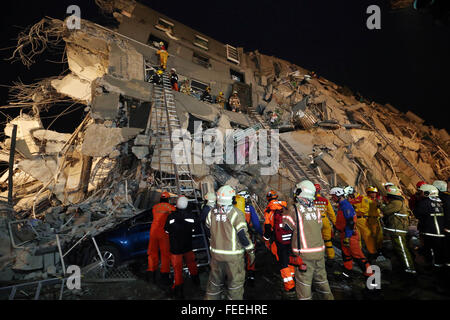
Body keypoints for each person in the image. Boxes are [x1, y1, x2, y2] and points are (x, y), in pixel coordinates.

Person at [282, 180, 334, 300]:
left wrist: (285, 212)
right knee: (322, 281)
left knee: (304, 285)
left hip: (304, 255)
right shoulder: (316, 210)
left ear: (301, 192)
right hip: (319, 252)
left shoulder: (294, 209)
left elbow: (287, 227)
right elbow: (319, 226)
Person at [205, 186, 255, 300]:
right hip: (233, 257)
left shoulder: (211, 212)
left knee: (214, 284)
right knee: (235, 286)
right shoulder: (236, 213)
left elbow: (208, 229)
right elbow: (243, 236)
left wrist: (213, 243)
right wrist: (251, 251)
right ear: (232, 199)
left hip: (216, 256)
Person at [330, 187, 373, 279]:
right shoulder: (342, 205)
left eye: (333, 196)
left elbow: (350, 222)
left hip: (349, 234)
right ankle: (347, 271)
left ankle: (370, 274)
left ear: (338, 195)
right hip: (344, 233)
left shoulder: (346, 205)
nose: (332, 198)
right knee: (346, 254)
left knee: (357, 255)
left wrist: (348, 236)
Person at [164, 196, 199, 299]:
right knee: (192, 264)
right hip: (188, 246)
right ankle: (196, 282)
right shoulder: (191, 216)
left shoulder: (171, 217)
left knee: (177, 269)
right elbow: (194, 229)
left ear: (177, 205)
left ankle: (179, 290)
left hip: (176, 248)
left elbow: (166, 230)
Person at [380, 185, 416, 275]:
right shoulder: (400, 202)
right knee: (403, 249)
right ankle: (407, 266)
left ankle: (409, 270)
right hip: (399, 230)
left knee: (402, 250)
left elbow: (385, 210)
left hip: (398, 231)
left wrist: (380, 204)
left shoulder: (396, 203)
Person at [413, 184, 448, 270]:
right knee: (440, 252)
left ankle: (431, 268)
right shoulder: (442, 201)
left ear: (426, 193)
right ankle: (441, 269)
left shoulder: (424, 203)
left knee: (428, 251)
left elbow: (417, 213)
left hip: (429, 232)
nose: (419, 194)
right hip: (442, 232)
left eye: (421, 192)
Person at [146, 191, 176, 285]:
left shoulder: (155, 207)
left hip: (154, 232)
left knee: (152, 253)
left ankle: (151, 275)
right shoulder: (171, 208)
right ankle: (164, 276)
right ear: (168, 199)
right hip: (164, 233)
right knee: (165, 254)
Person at [236, 191, 263, 286]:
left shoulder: (233, 208)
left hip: (235, 236)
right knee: (250, 254)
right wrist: (261, 233)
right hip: (248, 235)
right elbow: (256, 223)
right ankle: (251, 275)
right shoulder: (249, 208)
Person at [345, 186, 378, 261]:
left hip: (362, 220)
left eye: (349, 195)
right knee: (357, 238)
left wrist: (355, 209)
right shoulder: (351, 200)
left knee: (367, 236)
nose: (349, 197)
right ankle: (359, 254)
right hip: (354, 220)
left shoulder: (363, 198)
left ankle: (373, 253)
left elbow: (365, 209)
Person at [313, 184, 336, 264]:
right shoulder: (325, 200)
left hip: (315, 222)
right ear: (319, 191)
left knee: (316, 241)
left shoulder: (311, 201)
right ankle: (331, 257)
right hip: (325, 221)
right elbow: (332, 214)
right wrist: (335, 224)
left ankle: (318, 258)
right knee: (328, 241)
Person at [366, 186, 384, 256]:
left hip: (377, 219)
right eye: (372, 193)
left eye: (375, 193)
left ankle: (379, 250)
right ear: (369, 193)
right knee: (372, 236)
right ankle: (373, 251)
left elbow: (379, 210)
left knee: (379, 236)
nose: (374, 194)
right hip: (370, 219)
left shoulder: (376, 200)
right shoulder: (366, 200)